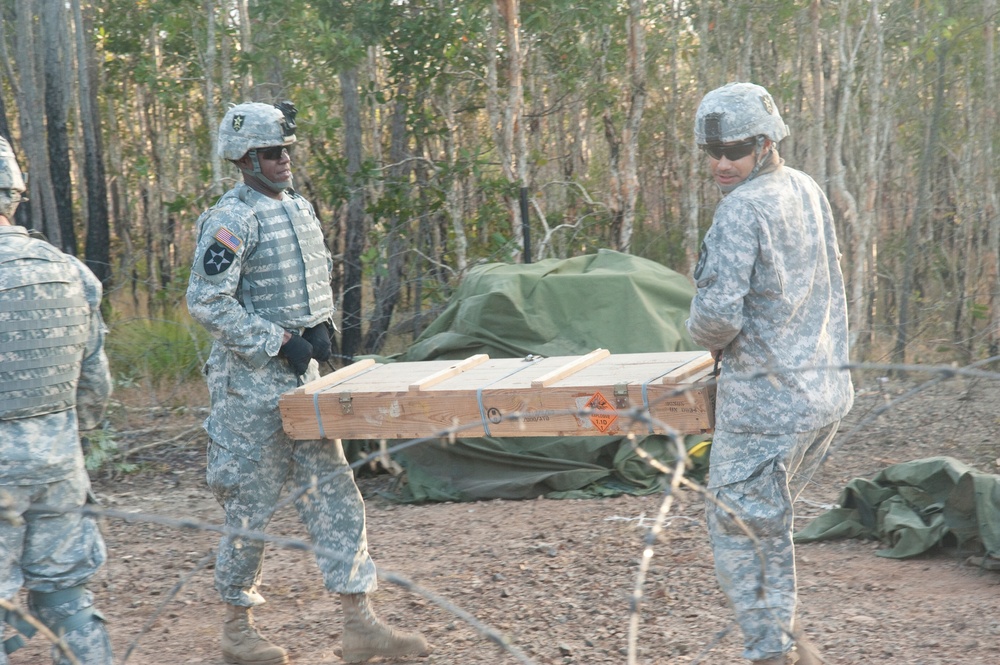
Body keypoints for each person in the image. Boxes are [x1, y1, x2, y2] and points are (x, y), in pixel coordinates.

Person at [186, 101, 429, 665]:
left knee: (336, 492)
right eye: (272, 154)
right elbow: (206, 301)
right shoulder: (231, 219)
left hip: (303, 379)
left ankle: (359, 622)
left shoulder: (296, 207)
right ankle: (237, 628)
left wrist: (317, 330)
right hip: (249, 388)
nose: (285, 161)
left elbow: (305, 283)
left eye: (287, 151)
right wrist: (278, 341)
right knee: (250, 505)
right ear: (246, 160)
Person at [686, 82, 854, 665]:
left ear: (764, 143)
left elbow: (714, 320)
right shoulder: (804, 188)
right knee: (768, 531)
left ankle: (770, 653)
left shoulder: (742, 209)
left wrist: (699, 333)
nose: (721, 164)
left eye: (734, 151)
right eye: (712, 153)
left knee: (742, 537)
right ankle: (787, 645)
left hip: (764, 413)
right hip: (822, 399)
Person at [0, 136, 114, 664]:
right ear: (15, 196)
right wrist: (64, 434)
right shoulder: (70, 271)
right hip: (59, 465)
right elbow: (96, 390)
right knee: (68, 603)